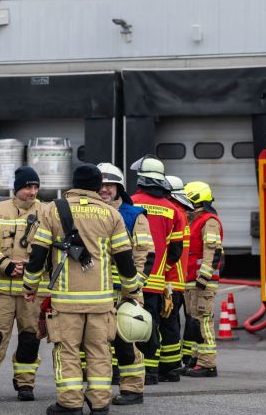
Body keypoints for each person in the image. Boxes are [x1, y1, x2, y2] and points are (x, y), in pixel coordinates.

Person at [23, 164, 139, 415]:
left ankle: (70, 403)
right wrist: (132, 290)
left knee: (67, 352)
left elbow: (38, 253)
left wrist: (30, 284)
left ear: (72, 184)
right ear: (98, 186)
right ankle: (99, 404)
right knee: (100, 352)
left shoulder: (53, 210)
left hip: (66, 302)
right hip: (102, 302)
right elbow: (125, 259)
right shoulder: (111, 214)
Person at [0, 166, 47, 402]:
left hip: (32, 291)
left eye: (36, 187)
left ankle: (25, 384)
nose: (32, 191)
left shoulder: (47, 211)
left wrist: (33, 266)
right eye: (28, 186)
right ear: (17, 188)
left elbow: (54, 246)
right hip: (3, 289)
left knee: (30, 337)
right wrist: (5, 264)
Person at [95, 163, 154, 406]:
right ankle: (99, 388)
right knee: (96, 342)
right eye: (101, 185)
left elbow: (146, 255)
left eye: (110, 185)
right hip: (96, 292)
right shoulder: (89, 213)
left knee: (126, 342)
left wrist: (134, 287)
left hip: (124, 291)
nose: (105, 190)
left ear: (119, 187)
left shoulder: (133, 215)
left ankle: (132, 390)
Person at [129, 155, 186, 386]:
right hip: (156, 282)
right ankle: (153, 372)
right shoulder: (173, 210)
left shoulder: (130, 203)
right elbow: (176, 251)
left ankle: (134, 370)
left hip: (130, 279)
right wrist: (162, 270)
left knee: (128, 324)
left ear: (142, 179)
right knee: (153, 325)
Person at [181, 181, 223, 378]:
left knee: (203, 322)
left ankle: (208, 364)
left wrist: (203, 278)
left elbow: (213, 252)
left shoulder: (209, 221)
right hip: (191, 281)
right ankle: (196, 360)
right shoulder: (193, 220)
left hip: (201, 282)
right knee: (195, 322)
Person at [156, 176, 192, 382]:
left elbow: (172, 250)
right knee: (172, 324)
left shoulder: (174, 212)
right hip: (177, 280)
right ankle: (172, 365)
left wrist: (161, 271)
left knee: (167, 324)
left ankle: (168, 368)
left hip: (168, 279)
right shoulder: (182, 213)